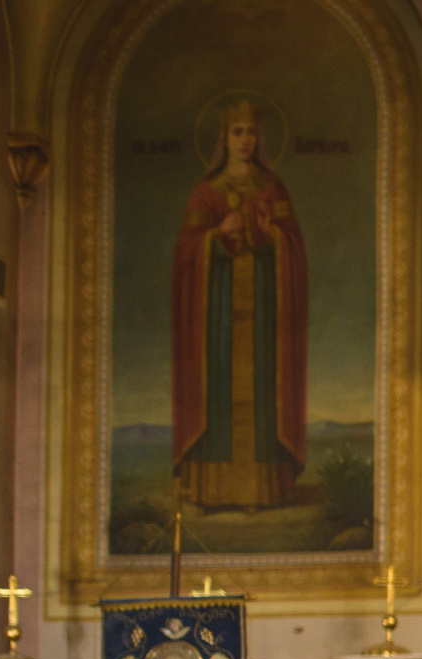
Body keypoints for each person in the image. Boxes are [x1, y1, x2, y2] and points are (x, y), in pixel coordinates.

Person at [173, 97, 307, 509]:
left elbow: (293, 246)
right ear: (225, 139)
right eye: (237, 132)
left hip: (263, 308)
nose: (245, 140)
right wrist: (216, 235)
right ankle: (213, 491)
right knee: (217, 388)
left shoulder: (272, 188)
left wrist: (272, 234)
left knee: (263, 387)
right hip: (217, 311)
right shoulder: (206, 191)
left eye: (251, 132)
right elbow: (186, 251)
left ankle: (263, 490)